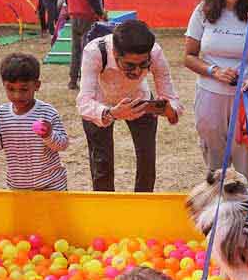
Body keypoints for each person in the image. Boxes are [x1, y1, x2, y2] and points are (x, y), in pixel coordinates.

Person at [184, 0, 248, 190]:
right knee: (215, 166)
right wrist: (214, 71)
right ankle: (217, 218)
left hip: (245, 101)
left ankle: (247, 219)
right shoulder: (203, 11)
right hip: (210, 98)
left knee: (246, 167)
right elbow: (189, 56)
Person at [77, 19, 183, 192]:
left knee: (147, 163)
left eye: (143, 65)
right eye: (129, 65)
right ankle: (106, 209)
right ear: (115, 52)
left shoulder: (155, 52)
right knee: (101, 165)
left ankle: (142, 206)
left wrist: (170, 109)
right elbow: (83, 102)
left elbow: (170, 95)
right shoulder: (95, 51)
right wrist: (111, 113)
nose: (136, 71)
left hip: (139, 101)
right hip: (101, 104)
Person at [0, 53, 69, 190]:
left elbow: (62, 145)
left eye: (24, 89)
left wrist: (48, 135)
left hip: (52, 186)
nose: (17, 95)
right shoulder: (1, 114)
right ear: (3, 85)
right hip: (18, 187)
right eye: (10, 89)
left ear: (37, 85)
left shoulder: (47, 112)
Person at [66, 0, 105, 90]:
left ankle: (72, 80)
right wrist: (100, 13)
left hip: (73, 13)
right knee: (87, 49)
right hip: (87, 14)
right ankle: (85, 81)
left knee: (75, 48)